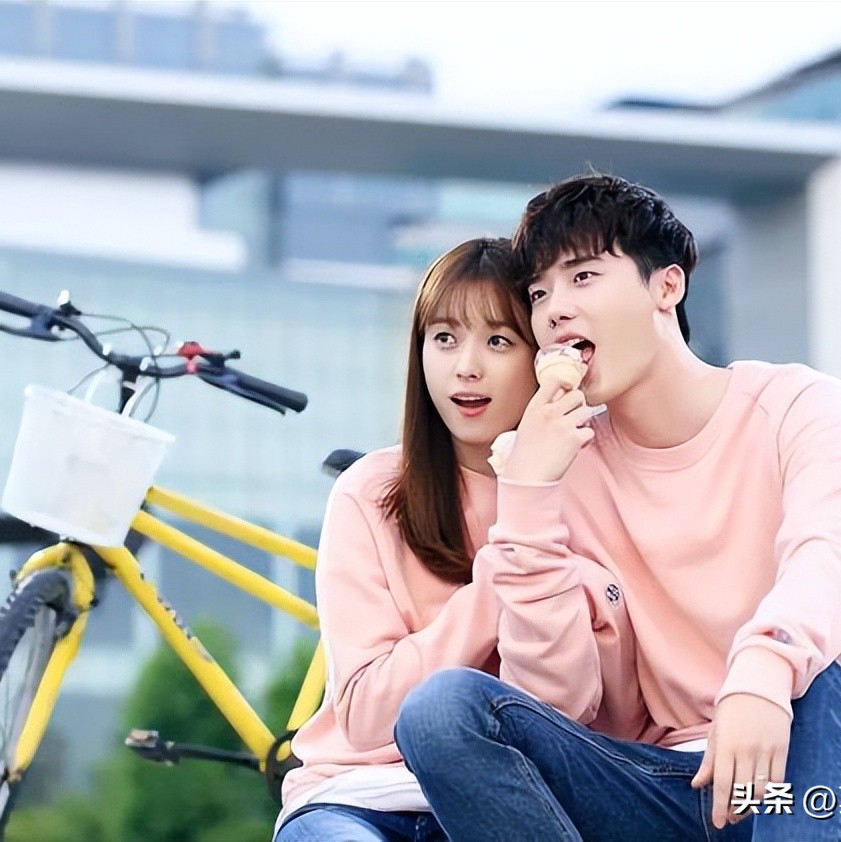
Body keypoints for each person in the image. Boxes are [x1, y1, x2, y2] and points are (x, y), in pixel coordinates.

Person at [394, 175, 841, 841]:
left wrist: (763, 670)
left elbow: (832, 558)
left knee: (813, 683)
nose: (553, 310)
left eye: (583, 277)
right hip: (678, 790)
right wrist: (527, 499)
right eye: (539, 293)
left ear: (667, 286)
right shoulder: (568, 468)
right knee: (441, 711)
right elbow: (557, 704)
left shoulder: (804, 409)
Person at [274, 238, 648, 841]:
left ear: (543, 357)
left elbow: (573, 712)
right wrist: (505, 572)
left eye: (498, 341)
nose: (466, 367)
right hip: (361, 800)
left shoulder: (590, 487)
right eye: (444, 338)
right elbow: (367, 713)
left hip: (515, 804)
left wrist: (532, 509)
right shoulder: (370, 492)